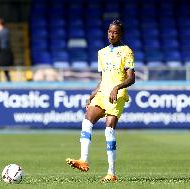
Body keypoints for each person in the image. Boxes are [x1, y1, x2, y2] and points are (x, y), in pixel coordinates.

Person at [66, 20, 135, 182]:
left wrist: (117, 88)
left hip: (116, 94)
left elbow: (131, 78)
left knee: (108, 130)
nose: (112, 34)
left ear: (121, 34)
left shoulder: (126, 51)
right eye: (110, 31)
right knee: (87, 120)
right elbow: (103, 79)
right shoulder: (102, 53)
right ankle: (83, 159)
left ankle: (111, 173)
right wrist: (93, 93)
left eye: (115, 32)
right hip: (102, 93)